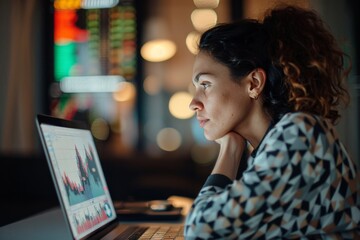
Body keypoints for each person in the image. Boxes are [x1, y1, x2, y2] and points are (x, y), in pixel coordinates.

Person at [185, 5, 360, 239]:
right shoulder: (272, 147)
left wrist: (230, 149)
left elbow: (200, 231)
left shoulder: (299, 134)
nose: (194, 103)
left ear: (254, 83)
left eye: (205, 84)